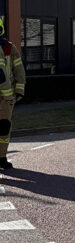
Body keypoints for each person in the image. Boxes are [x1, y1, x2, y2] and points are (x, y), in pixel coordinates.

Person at [0, 20, 25, 169]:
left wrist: (18, 91)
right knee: (4, 128)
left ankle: (2, 158)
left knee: (3, 128)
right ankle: (1, 158)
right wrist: (17, 92)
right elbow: (18, 71)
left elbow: (18, 70)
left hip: (6, 98)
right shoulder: (9, 47)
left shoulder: (9, 48)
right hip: (6, 98)